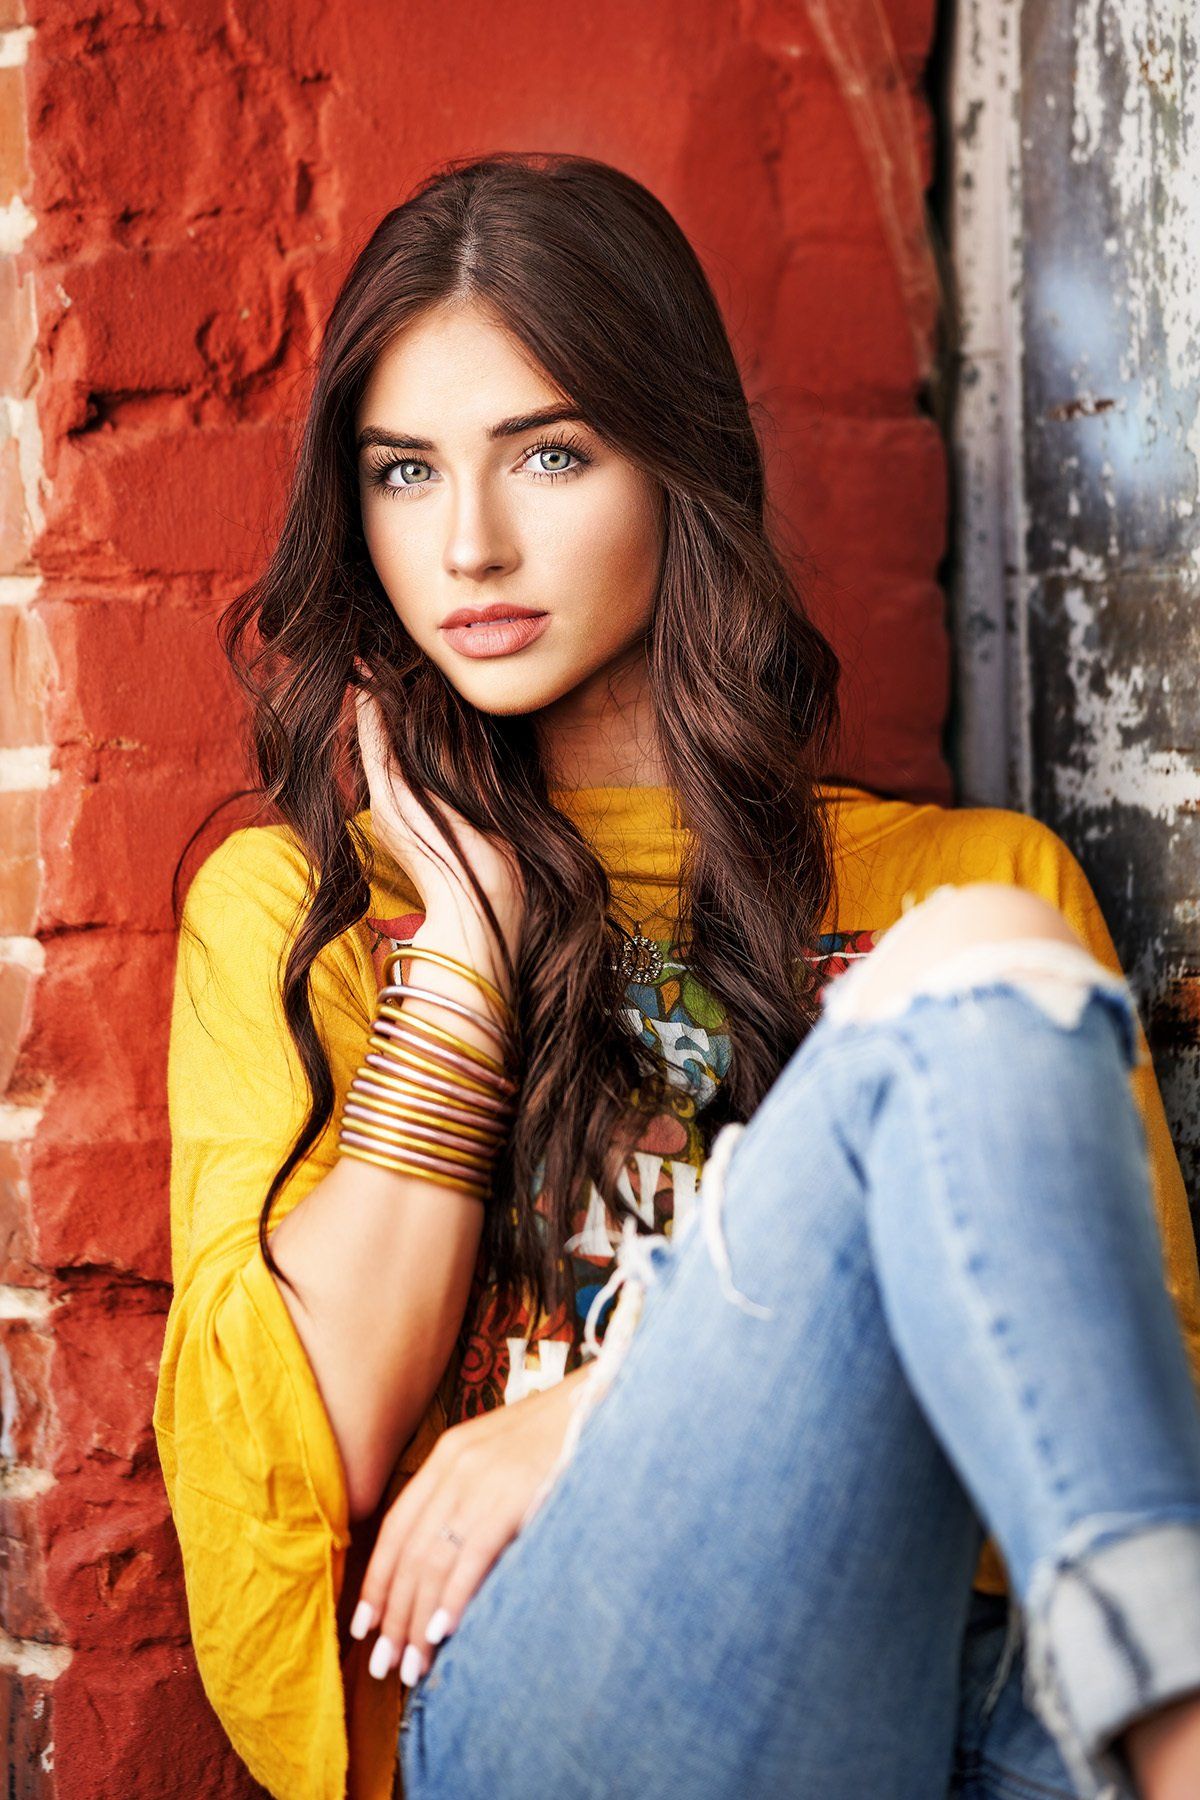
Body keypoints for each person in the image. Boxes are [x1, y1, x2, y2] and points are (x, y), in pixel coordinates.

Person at [152, 152, 1200, 1800]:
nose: (471, 546)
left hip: (973, 1694)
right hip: (548, 1702)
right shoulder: (302, 910)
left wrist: (597, 1416)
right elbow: (322, 1441)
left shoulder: (960, 880)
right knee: (978, 970)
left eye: (548, 454)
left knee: (980, 951)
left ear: (675, 466)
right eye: (405, 472)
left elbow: (1102, 1408)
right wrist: (470, 960)